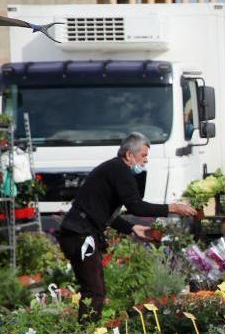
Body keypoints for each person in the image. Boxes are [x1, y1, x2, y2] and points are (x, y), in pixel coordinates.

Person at [57, 133, 197, 321]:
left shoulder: (114, 169)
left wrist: (132, 228)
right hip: (79, 234)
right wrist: (172, 207)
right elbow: (136, 206)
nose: (146, 161)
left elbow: (104, 213)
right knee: (94, 290)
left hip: (80, 232)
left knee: (95, 289)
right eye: (144, 156)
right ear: (130, 155)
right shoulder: (120, 170)